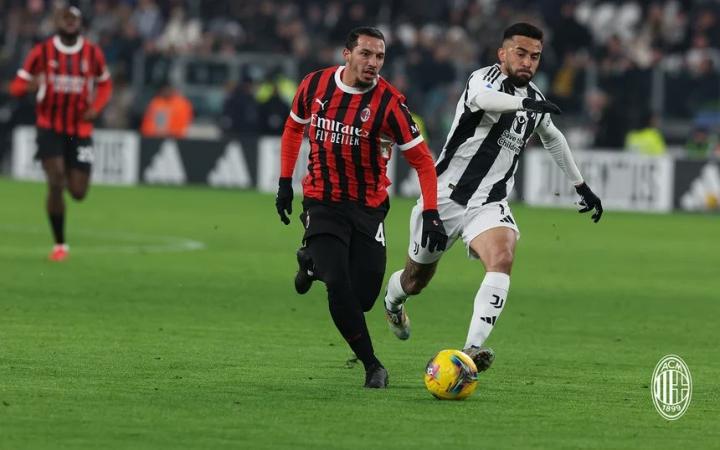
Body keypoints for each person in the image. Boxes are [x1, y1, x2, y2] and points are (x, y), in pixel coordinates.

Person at [382, 23, 603, 372]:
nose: (528, 62)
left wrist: (581, 185)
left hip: (489, 202)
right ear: (502, 53)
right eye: (521, 53)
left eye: (535, 56)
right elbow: (486, 101)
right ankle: (393, 304)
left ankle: (470, 351)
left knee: (502, 257)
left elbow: (553, 137)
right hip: (444, 197)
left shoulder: (533, 98)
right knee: (415, 280)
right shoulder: (482, 80)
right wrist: (527, 103)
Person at [274, 27, 448, 389]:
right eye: (366, 54)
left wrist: (431, 212)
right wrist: (284, 182)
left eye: (379, 56)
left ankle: (311, 264)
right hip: (323, 200)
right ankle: (373, 366)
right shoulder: (314, 85)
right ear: (347, 54)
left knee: (364, 298)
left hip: (368, 208)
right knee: (338, 285)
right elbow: (293, 129)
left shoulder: (390, 104)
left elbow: (423, 161)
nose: (373, 63)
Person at [9, 6, 112, 262]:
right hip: (50, 127)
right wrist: (29, 86)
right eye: (65, 18)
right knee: (55, 182)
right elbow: (16, 86)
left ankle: (65, 171)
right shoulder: (41, 52)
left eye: (73, 19)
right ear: (57, 23)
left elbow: (105, 84)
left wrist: (96, 107)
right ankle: (60, 244)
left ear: (80, 23)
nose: (69, 22)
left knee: (78, 192)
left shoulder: (93, 53)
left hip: (80, 130)